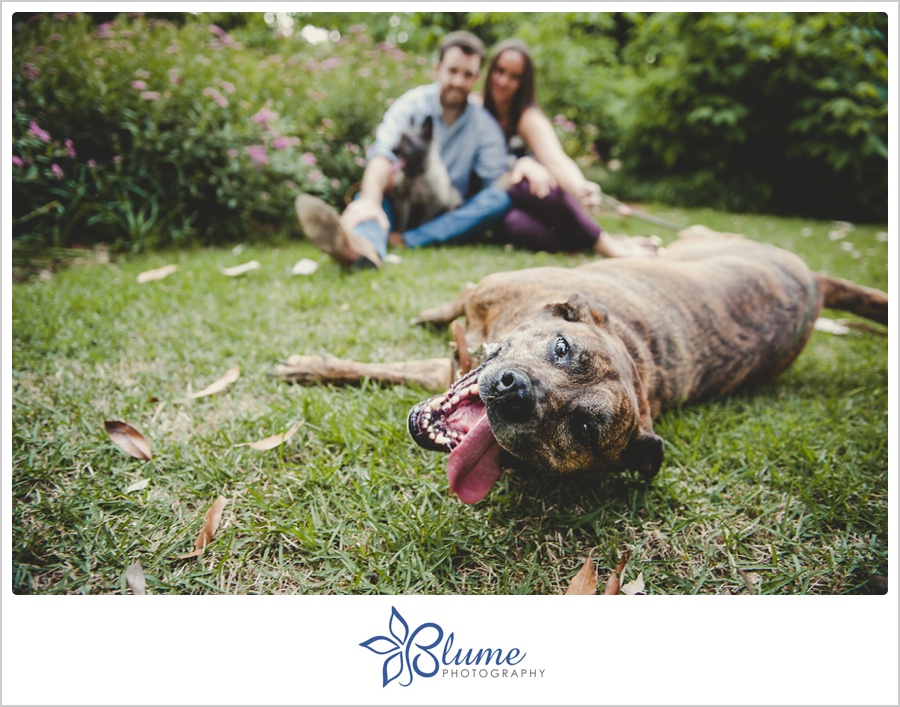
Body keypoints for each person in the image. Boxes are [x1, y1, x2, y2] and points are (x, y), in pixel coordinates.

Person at [296, 31, 511, 270]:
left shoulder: (483, 124)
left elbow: (493, 181)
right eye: (453, 71)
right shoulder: (412, 104)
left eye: (467, 74)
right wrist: (370, 199)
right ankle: (362, 251)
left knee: (498, 199)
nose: (459, 81)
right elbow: (383, 153)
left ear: (476, 78)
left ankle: (404, 240)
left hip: (447, 215)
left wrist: (520, 166)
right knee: (370, 197)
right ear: (438, 68)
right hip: (401, 203)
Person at [482, 38, 656, 257]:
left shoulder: (528, 118)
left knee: (533, 183)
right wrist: (520, 164)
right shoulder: (477, 112)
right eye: (499, 71)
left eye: (514, 76)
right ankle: (608, 243)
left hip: (529, 197)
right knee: (514, 225)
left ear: (524, 83)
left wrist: (580, 187)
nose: (503, 81)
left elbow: (555, 159)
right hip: (498, 204)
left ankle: (609, 247)